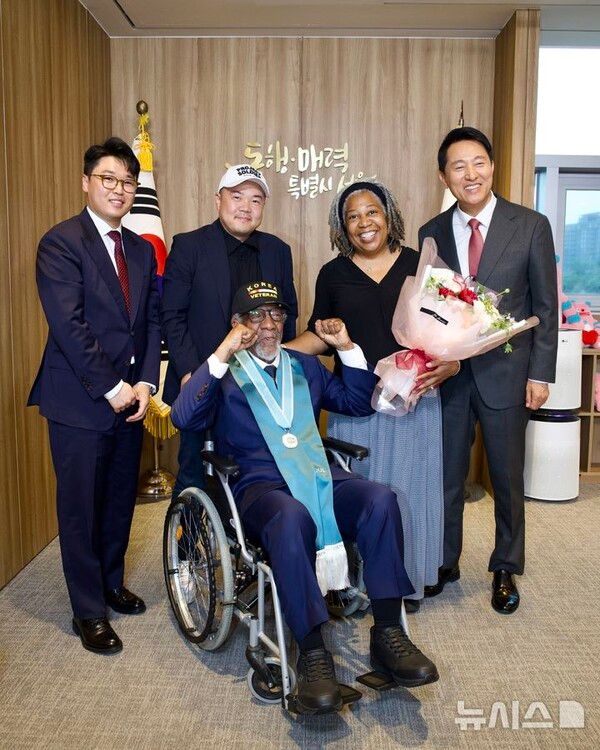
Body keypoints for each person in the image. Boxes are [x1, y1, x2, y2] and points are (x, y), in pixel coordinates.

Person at [171, 281, 439, 715]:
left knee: (380, 499)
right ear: (237, 324)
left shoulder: (305, 366)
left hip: (319, 477)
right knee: (291, 516)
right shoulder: (224, 372)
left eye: (276, 315)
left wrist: (346, 347)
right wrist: (222, 352)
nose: (268, 324)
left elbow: (358, 402)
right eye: (256, 316)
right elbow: (184, 417)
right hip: (261, 489)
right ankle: (313, 653)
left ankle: (388, 633)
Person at [286, 181, 459, 611]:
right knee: (364, 494)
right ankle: (359, 585)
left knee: (411, 494)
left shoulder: (421, 264)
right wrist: (270, 352)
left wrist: (454, 363)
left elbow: (455, 328)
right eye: (353, 216)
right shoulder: (333, 274)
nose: (364, 223)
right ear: (342, 226)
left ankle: (407, 582)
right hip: (357, 401)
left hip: (415, 399)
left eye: (372, 212)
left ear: (389, 215)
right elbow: (321, 336)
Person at [28, 137, 161, 653]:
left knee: (119, 500)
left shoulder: (142, 250)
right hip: (80, 401)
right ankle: (88, 610)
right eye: (108, 178)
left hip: (131, 399)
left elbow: (148, 323)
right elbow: (69, 326)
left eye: (127, 182)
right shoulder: (61, 242)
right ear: (87, 182)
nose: (119, 189)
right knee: (81, 507)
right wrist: (113, 387)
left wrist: (145, 383)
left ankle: (110, 583)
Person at [419, 126, 558, 613]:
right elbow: (428, 307)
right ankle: (445, 561)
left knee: (507, 478)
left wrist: (540, 374)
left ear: (492, 167)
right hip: (451, 378)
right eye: (458, 166)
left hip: (508, 374)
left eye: (478, 162)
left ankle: (505, 566)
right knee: (447, 476)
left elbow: (546, 306)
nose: (470, 174)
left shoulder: (531, 225)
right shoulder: (432, 232)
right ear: (445, 176)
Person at [161, 165, 298, 501]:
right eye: (237, 197)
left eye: (255, 200)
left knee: (256, 473)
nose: (245, 207)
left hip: (259, 386)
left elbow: (288, 315)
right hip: (204, 379)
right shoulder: (189, 245)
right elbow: (171, 315)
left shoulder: (278, 251)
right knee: (194, 474)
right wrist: (191, 373)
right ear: (217, 200)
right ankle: (189, 534)